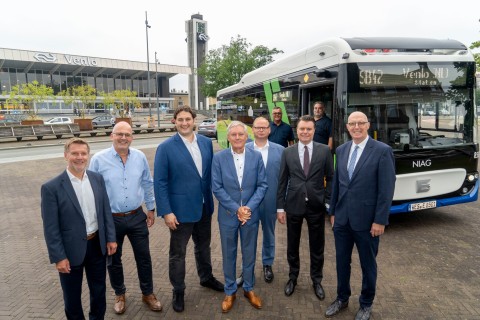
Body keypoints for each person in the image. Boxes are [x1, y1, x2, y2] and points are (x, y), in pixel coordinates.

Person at [325, 111, 396, 320]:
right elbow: (337, 183)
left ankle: (366, 304)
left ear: (368, 125)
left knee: (368, 264)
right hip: (342, 219)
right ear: (347, 127)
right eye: (352, 124)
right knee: (341, 261)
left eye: (360, 123)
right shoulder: (341, 149)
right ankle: (342, 298)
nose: (356, 127)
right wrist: (333, 212)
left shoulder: (383, 151)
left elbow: (386, 189)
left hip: (367, 222)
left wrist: (380, 220)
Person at [153, 106, 224, 313]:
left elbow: (207, 176)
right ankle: (178, 289)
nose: (184, 123)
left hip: (204, 207)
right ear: (174, 122)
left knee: (203, 247)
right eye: (180, 120)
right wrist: (166, 211)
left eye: (188, 119)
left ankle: (206, 277)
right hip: (179, 212)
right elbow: (160, 182)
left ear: (194, 121)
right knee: (178, 254)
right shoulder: (165, 147)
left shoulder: (205, 142)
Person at [89, 121, 162, 314]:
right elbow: (93, 190)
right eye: (119, 134)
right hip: (111, 218)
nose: (123, 138)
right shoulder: (98, 159)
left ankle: (148, 293)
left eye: (127, 134)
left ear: (132, 137)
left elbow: (147, 183)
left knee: (144, 257)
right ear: (112, 135)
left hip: (137, 216)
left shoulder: (139, 157)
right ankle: (119, 293)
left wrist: (151, 208)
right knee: (113, 259)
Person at [41, 138, 117, 320]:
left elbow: (105, 210)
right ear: (66, 155)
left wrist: (111, 238)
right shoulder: (51, 188)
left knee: (99, 291)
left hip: (97, 246)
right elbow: (51, 228)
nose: (79, 157)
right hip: (70, 250)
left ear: (88, 155)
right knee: (72, 297)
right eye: (75, 153)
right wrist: (59, 257)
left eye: (83, 153)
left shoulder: (97, 179)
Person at [212, 121, 268, 313]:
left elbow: (263, 185)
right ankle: (230, 291)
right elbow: (217, 187)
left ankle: (249, 288)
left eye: (240, 134)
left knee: (250, 253)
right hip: (228, 215)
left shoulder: (256, 156)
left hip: (250, 216)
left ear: (247, 137)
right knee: (228, 254)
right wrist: (237, 209)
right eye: (233, 135)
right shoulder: (218, 158)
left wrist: (248, 209)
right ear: (228, 137)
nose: (237, 138)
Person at [276, 115, 333, 301]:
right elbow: (282, 181)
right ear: (297, 131)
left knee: (317, 246)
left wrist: (327, 200)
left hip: (316, 206)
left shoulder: (324, 151)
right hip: (293, 204)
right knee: (292, 244)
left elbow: (331, 178)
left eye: (309, 129)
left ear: (314, 131)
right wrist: (280, 208)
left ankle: (317, 280)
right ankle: (293, 278)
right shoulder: (288, 152)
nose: (305, 132)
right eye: (302, 129)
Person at [236, 116, 284, 286]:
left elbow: (285, 180)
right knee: (248, 237)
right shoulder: (244, 148)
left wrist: (281, 207)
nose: (261, 130)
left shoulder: (281, 150)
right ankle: (246, 269)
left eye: (264, 127)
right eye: (258, 127)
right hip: (249, 203)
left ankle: (267, 264)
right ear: (253, 130)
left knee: (269, 235)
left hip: (271, 201)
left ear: (269, 130)